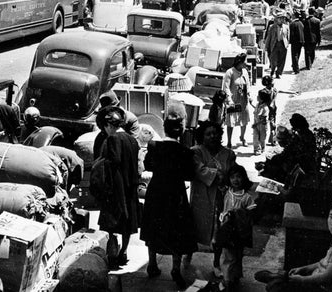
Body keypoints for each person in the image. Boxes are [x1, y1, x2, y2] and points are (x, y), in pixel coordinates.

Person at [254, 194, 332, 292]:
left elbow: (327, 277)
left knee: (275, 288)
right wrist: (305, 268)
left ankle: (279, 278)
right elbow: (324, 262)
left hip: (325, 288)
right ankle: (279, 277)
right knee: (288, 278)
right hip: (321, 281)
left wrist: (302, 280)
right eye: (331, 216)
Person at [140, 117, 197, 289]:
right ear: (181, 131)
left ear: (164, 129)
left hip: (156, 192)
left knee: (153, 227)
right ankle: (175, 269)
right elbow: (189, 175)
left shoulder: (154, 146)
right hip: (176, 194)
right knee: (177, 230)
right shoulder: (185, 151)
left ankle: (152, 264)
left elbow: (147, 166)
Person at [190, 121, 238, 277]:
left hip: (221, 197)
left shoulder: (228, 154)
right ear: (202, 136)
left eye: (215, 133)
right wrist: (217, 174)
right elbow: (198, 169)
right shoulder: (196, 151)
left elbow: (232, 173)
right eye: (208, 134)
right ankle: (187, 255)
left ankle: (217, 263)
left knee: (219, 231)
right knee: (195, 227)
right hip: (201, 197)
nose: (212, 136)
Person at [96, 106, 140, 268]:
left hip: (116, 189)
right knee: (127, 224)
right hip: (130, 188)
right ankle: (124, 252)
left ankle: (112, 254)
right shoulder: (133, 140)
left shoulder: (112, 139)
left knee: (111, 224)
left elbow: (111, 165)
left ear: (109, 125)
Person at [215, 165, 255, 292]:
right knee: (228, 256)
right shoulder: (227, 192)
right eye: (232, 177)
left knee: (237, 255)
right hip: (227, 229)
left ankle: (235, 277)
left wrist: (241, 212)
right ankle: (227, 280)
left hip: (239, 231)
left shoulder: (246, 197)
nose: (236, 180)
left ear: (244, 178)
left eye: (239, 177)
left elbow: (251, 213)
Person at [222, 52, 252, 148]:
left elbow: (248, 84)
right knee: (231, 121)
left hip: (243, 99)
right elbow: (226, 87)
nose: (246, 64)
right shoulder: (230, 72)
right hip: (233, 99)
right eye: (245, 62)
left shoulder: (245, 72)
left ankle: (242, 137)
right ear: (240, 62)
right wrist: (229, 99)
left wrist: (249, 95)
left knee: (244, 119)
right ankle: (229, 142)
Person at [265, 10, 289, 79]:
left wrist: (287, 44)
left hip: (283, 44)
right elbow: (269, 37)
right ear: (277, 19)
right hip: (274, 45)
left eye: (283, 18)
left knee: (282, 60)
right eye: (280, 18)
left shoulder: (286, 27)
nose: (282, 20)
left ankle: (278, 73)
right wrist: (266, 46)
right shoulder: (272, 27)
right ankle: (272, 70)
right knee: (273, 60)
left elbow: (287, 36)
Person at [260, 75, 279, 146]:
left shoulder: (264, 91)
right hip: (268, 110)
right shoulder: (270, 91)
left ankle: (272, 139)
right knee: (269, 124)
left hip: (269, 110)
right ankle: (270, 139)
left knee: (271, 124)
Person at [252, 89, 271, 155]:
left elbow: (264, 119)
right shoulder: (258, 104)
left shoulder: (265, 108)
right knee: (255, 137)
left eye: (258, 96)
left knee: (262, 138)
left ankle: (262, 147)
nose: (257, 97)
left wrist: (256, 124)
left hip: (262, 125)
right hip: (256, 124)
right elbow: (256, 109)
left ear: (262, 99)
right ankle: (257, 149)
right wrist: (251, 103)